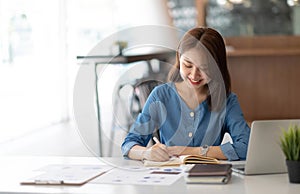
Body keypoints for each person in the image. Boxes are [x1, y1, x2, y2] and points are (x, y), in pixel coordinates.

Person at [121, 27, 250, 162]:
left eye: (205, 68)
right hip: (170, 177)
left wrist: (193, 152)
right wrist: (146, 153)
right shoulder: (160, 96)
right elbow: (129, 145)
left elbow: (246, 147)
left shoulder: (228, 101)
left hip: (209, 178)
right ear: (179, 59)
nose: (194, 75)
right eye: (188, 65)